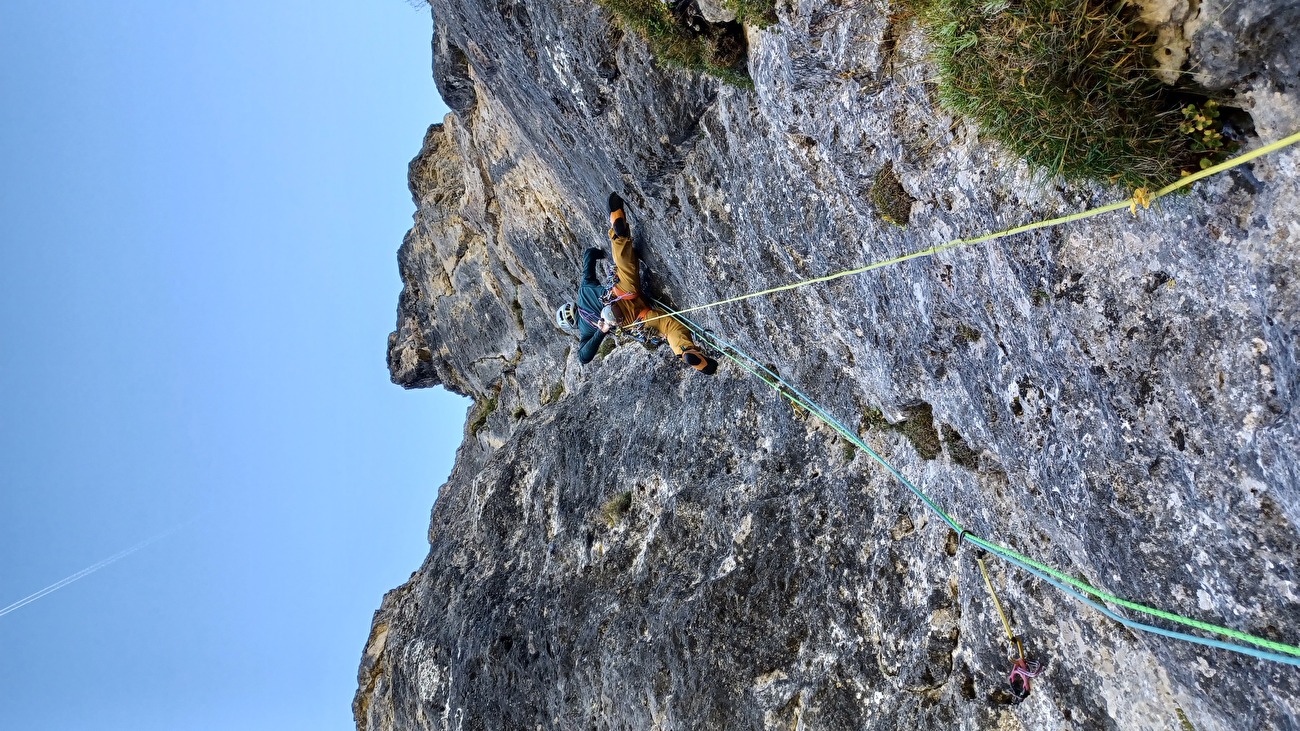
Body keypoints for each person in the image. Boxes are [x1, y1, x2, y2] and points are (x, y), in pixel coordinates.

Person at [555, 193, 717, 374]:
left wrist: (601, 332)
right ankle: (618, 233)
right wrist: (600, 254)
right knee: (625, 267)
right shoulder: (583, 290)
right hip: (620, 293)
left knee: (667, 325)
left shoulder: (586, 331)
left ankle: (686, 350)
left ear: (573, 326)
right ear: (573, 305)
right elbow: (588, 255)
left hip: (633, 319)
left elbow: (583, 357)